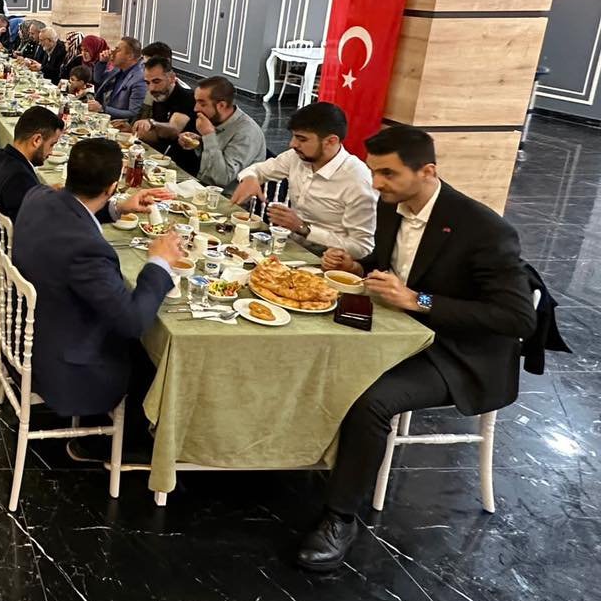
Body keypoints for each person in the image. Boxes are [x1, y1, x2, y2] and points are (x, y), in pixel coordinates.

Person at [298, 126, 537, 572]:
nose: (376, 184)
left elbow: (517, 318)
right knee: (311, 349)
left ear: (427, 171)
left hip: (458, 352)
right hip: (401, 332)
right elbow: (394, 265)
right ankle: (302, 454)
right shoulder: (392, 206)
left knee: (370, 400)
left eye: (388, 174)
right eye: (373, 172)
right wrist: (357, 266)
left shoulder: (484, 229)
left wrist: (418, 300)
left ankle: (340, 518)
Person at [11, 138, 184, 426]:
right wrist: (159, 262)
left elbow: (74, 209)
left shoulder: (38, 195)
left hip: (32, 333)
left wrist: (117, 208)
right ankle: (113, 439)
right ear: (112, 186)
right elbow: (133, 322)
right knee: (152, 357)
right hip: (65, 369)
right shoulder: (88, 251)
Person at [230, 102, 378, 260]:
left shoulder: (357, 180)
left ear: (331, 141)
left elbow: (361, 247)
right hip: (289, 247)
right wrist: (250, 178)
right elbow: (258, 170)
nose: (292, 144)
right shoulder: (297, 157)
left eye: (302, 139)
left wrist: (304, 229)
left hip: (328, 261)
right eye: (294, 136)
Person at [0, 106, 64, 221]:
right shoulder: (20, 179)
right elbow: (34, 221)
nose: (51, 152)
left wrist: (44, 191)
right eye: (51, 144)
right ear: (36, 140)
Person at [189, 75, 266, 193]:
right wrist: (199, 143)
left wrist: (208, 135)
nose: (195, 108)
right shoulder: (217, 120)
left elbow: (221, 179)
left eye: (202, 104)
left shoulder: (246, 132)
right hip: (203, 188)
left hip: (227, 198)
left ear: (221, 105)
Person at [130, 57, 196, 163]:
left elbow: (174, 130)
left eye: (156, 81)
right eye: (147, 83)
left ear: (172, 78)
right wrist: (132, 130)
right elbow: (159, 135)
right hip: (158, 157)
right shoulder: (159, 97)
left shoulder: (186, 97)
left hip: (181, 163)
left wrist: (151, 123)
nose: (152, 88)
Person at [90, 37, 147, 123]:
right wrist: (102, 62)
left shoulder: (139, 79)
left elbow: (133, 113)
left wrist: (102, 109)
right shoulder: (118, 69)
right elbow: (98, 80)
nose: (112, 52)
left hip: (118, 124)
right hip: (101, 118)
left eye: (117, 49)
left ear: (130, 56)